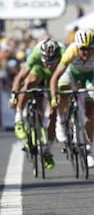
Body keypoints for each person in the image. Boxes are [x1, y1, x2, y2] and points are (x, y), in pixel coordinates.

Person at [50, 29, 94, 169]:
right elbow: (54, 78)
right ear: (77, 47)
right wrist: (54, 97)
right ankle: (61, 119)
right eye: (82, 49)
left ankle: (89, 149)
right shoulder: (70, 52)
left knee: (90, 115)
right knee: (63, 88)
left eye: (89, 49)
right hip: (71, 74)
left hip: (89, 76)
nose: (86, 53)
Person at [9, 38, 65, 169]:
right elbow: (19, 78)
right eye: (47, 60)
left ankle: (47, 151)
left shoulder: (63, 53)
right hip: (38, 69)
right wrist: (14, 96)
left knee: (53, 113)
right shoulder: (35, 55)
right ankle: (19, 119)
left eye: (52, 60)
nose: (49, 64)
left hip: (55, 75)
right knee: (28, 83)